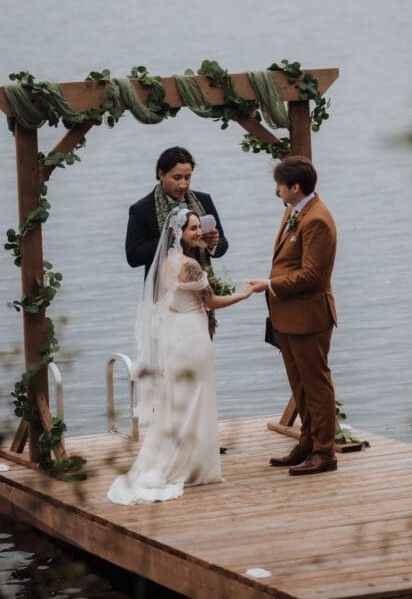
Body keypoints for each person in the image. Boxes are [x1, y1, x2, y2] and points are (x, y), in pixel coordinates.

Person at [108, 207, 255, 505]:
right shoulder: (189, 266)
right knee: (195, 399)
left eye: (199, 227)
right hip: (192, 336)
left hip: (174, 334)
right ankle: (188, 467)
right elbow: (211, 302)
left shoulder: (164, 264)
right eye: (193, 228)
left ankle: (183, 461)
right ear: (178, 233)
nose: (199, 233)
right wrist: (243, 293)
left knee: (178, 400)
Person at [248, 156, 339, 476]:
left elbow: (313, 275)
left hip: (309, 316)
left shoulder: (317, 220)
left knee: (316, 384)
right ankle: (307, 442)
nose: (277, 190)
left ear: (295, 187)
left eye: (280, 185)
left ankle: (325, 451)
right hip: (288, 316)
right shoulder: (294, 211)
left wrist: (269, 284)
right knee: (299, 384)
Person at [125, 146, 228, 279]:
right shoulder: (141, 209)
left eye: (187, 177)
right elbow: (133, 257)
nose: (183, 184)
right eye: (177, 178)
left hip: (203, 286)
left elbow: (223, 244)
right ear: (161, 174)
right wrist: (171, 238)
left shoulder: (204, 200)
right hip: (163, 291)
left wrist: (213, 244)